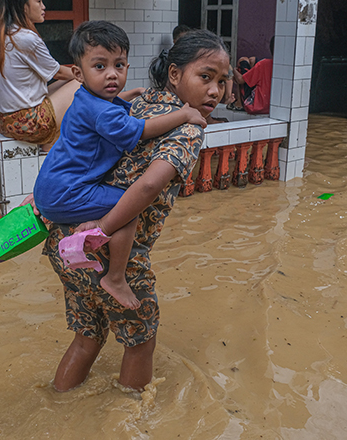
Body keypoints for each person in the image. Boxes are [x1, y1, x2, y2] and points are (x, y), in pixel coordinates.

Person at [25, 29, 230, 392]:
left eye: (223, 81)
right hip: (106, 247)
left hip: (63, 240)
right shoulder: (187, 128)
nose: (215, 91)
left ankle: (58, 402)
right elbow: (148, 186)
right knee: (140, 340)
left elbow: (80, 149)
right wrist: (101, 229)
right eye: (206, 77)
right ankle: (131, 422)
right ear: (175, 74)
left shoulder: (137, 102)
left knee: (89, 336)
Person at [33, 21, 207, 310]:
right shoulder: (104, 111)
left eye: (120, 65)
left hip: (49, 186)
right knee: (129, 206)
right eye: (100, 66)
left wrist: (126, 96)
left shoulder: (87, 98)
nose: (112, 74)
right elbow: (140, 131)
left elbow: (107, 111)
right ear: (78, 73)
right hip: (67, 194)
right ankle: (114, 277)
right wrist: (185, 115)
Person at [0, 0, 81, 151]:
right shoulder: (26, 38)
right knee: (79, 83)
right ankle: (54, 142)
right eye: (39, 1)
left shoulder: (4, 35)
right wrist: (88, 76)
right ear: (23, 6)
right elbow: (58, 72)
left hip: (4, 121)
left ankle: (52, 142)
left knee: (68, 83)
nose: (43, 7)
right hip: (27, 122)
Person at [230, 36, 275, 115]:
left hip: (255, 107)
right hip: (272, 108)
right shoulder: (286, 68)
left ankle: (239, 104)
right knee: (252, 60)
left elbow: (240, 80)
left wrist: (233, 69)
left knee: (243, 61)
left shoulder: (264, 64)